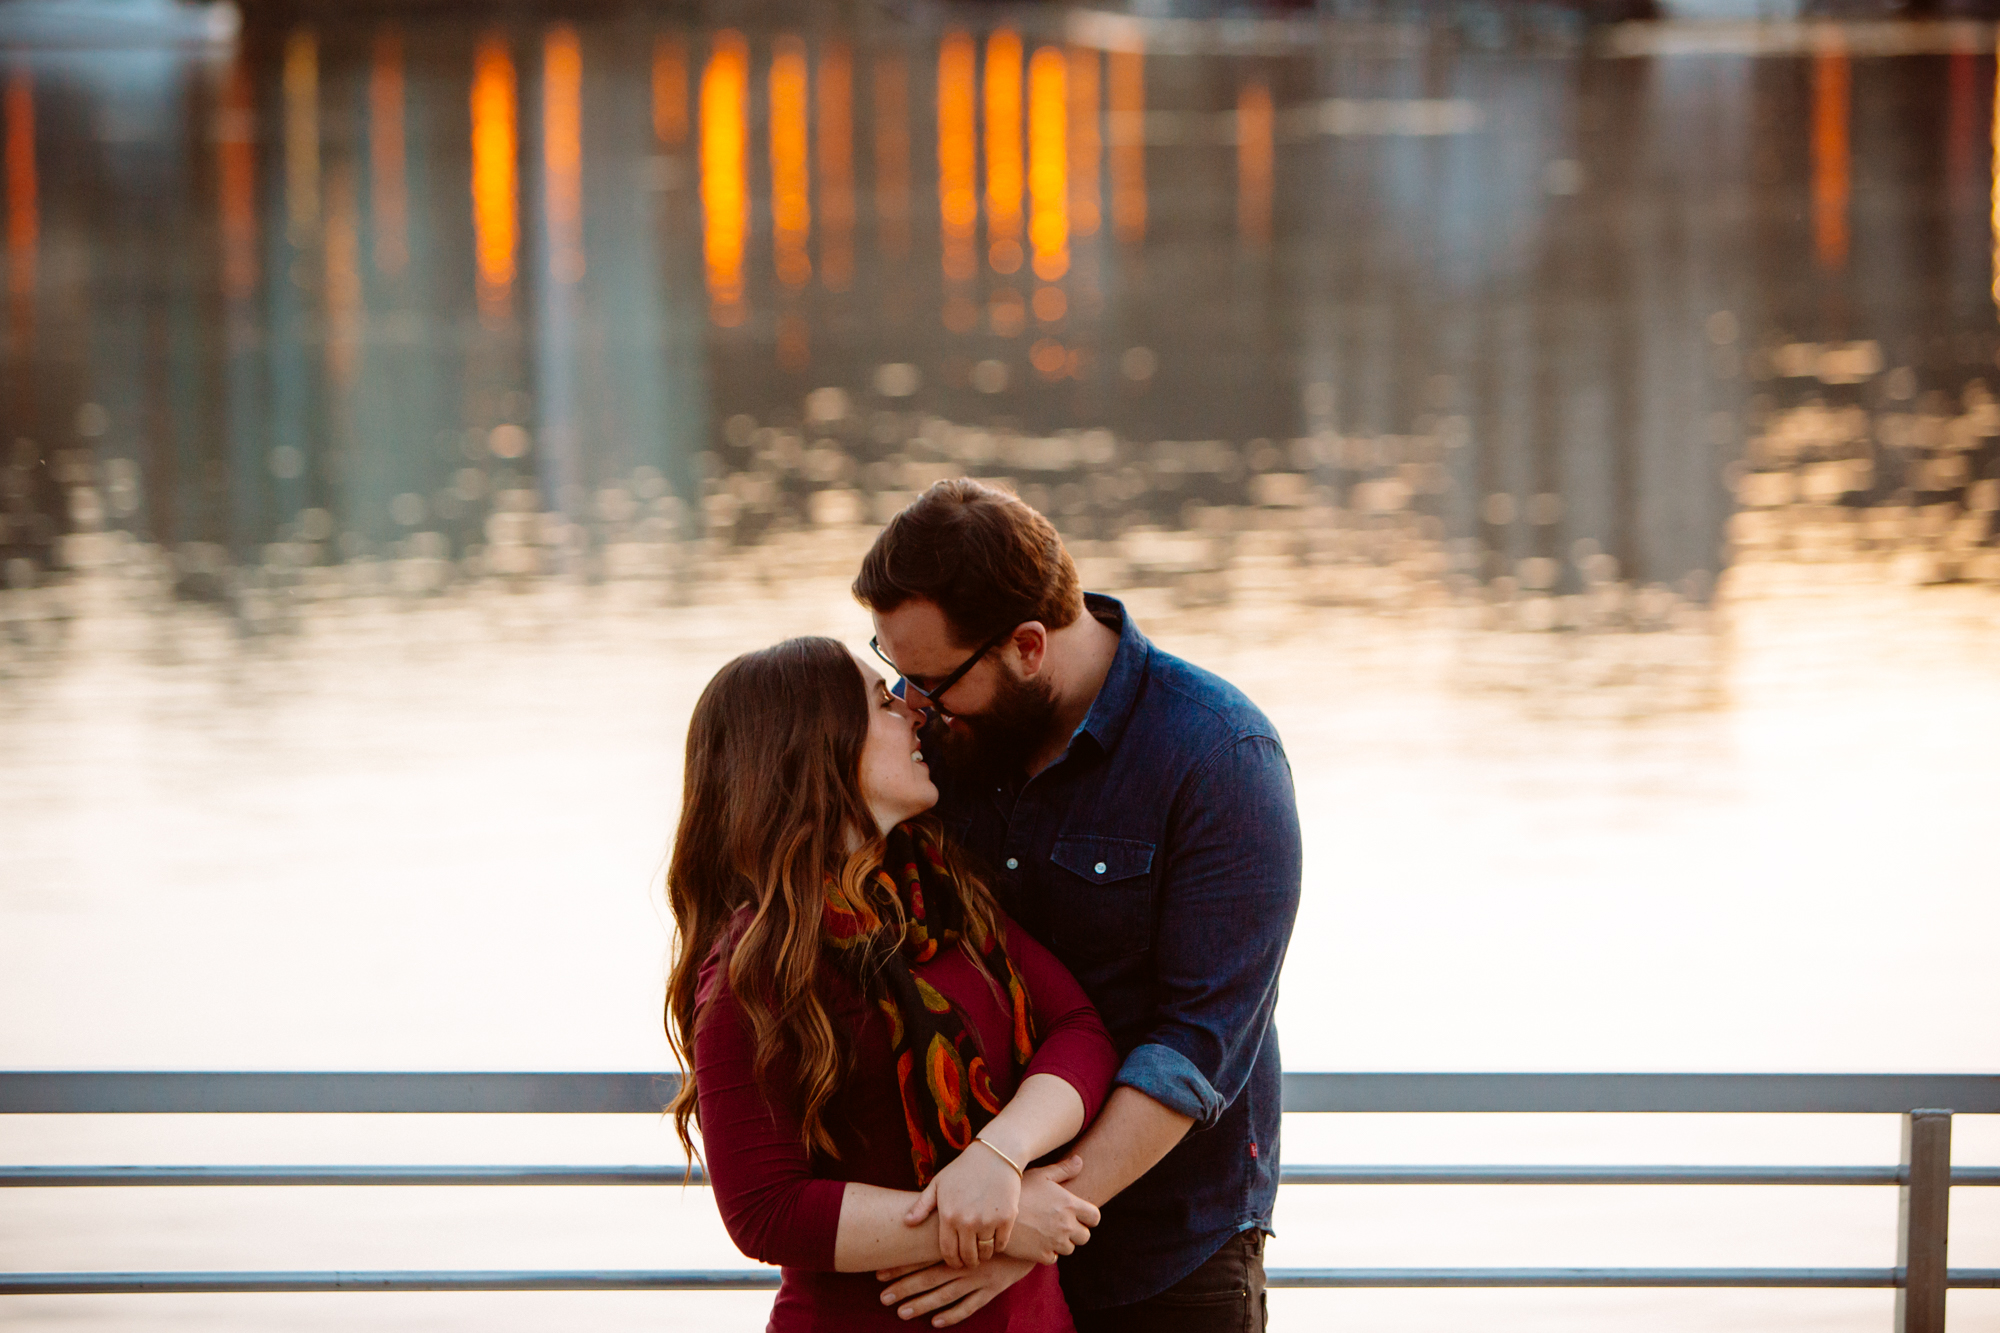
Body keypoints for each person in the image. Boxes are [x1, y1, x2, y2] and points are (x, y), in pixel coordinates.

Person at [854, 480, 1303, 1333]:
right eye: (891, 670)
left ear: (1027, 645)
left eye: (928, 679)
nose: (911, 705)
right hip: (962, 1241)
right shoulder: (939, 749)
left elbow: (1197, 1045)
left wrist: (1034, 1222)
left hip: (1164, 1256)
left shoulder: (1219, 757)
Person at [664, 635, 1121, 1331]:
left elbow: (1080, 1031)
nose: (914, 713)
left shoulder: (941, 896)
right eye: (882, 700)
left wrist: (1001, 1156)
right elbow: (765, 1209)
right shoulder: (757, 966)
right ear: (816, 747)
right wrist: (991, 1220)